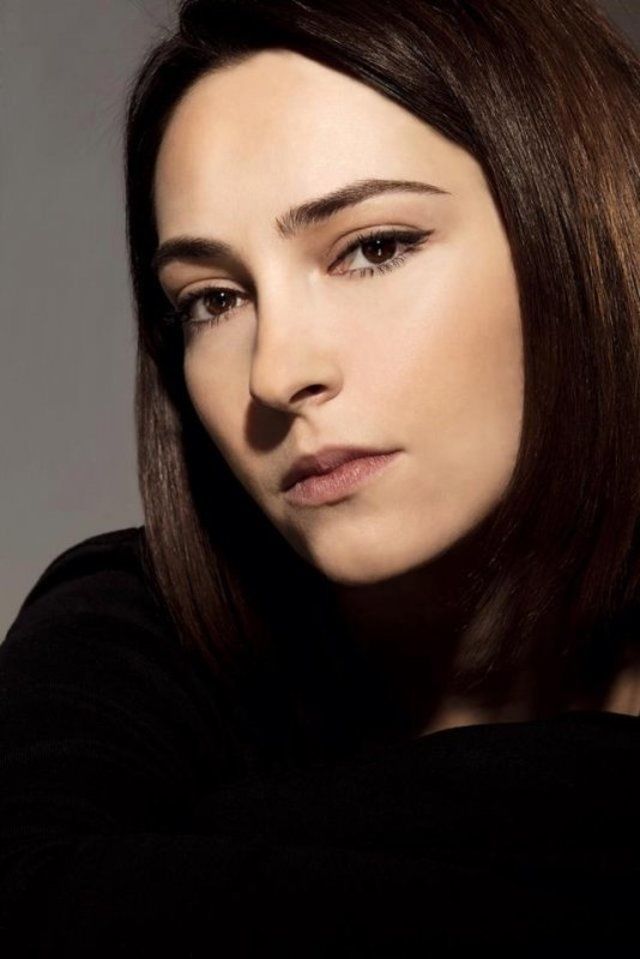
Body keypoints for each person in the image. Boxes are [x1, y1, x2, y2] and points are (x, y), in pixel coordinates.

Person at [1, 0, 639, 954]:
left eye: (373, 248)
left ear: (581, 232)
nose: (275, 372)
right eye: (213, 300)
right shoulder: (130, 631)